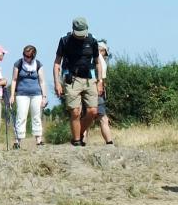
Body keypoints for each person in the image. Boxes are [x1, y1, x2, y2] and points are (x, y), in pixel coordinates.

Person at [53, 17, 104, 147]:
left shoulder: (92, 41)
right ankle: (76, 141)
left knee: (93, 111)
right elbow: (57, 63)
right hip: (72, 79)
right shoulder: (65, 41)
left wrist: (99, 81)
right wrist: (57, 83)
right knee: (75, 111)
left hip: (89, 79)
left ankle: (79, 132)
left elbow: (98, 63)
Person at [9, 45, 48, 148]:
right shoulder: (18, 64)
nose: (26, 57)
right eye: (24, 55)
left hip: (37, 94)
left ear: (33, 56)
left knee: (36, 116)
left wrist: (44, 97)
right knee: (21, 116)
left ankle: (39, 140)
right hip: (22, 94)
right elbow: (13, 80)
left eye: (28, 56)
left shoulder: (38, 64)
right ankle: (18, 141)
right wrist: (12, 95)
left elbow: (42, 81)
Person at [82, 40, 115, 145]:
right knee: (103, 118)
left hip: (84, 89)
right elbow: (101, 78)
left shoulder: (86, 56)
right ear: (102, 50)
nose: (105, 55)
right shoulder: (100, 60)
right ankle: (109, 143)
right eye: (105, 52)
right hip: (95, 91)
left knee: (86, 117)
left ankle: (81, 143)